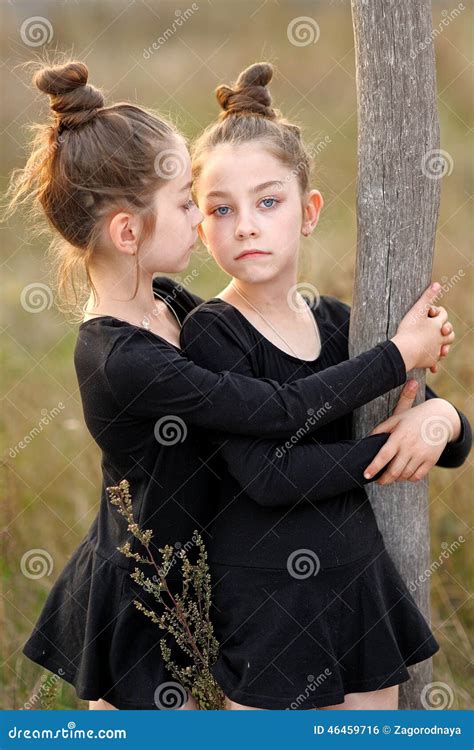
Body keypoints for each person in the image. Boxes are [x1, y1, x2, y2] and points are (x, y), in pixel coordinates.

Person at [179, 62, 471, 710]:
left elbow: (434, 430)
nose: (247, 224)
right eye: (221, 210)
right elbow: (267, 476)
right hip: (266, 610)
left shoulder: (341, 324)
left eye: (268, 201)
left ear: (308, 211)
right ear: (200, 227)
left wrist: (439, 420)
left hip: (358, 589)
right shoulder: (211, 334)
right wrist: (387, 440)